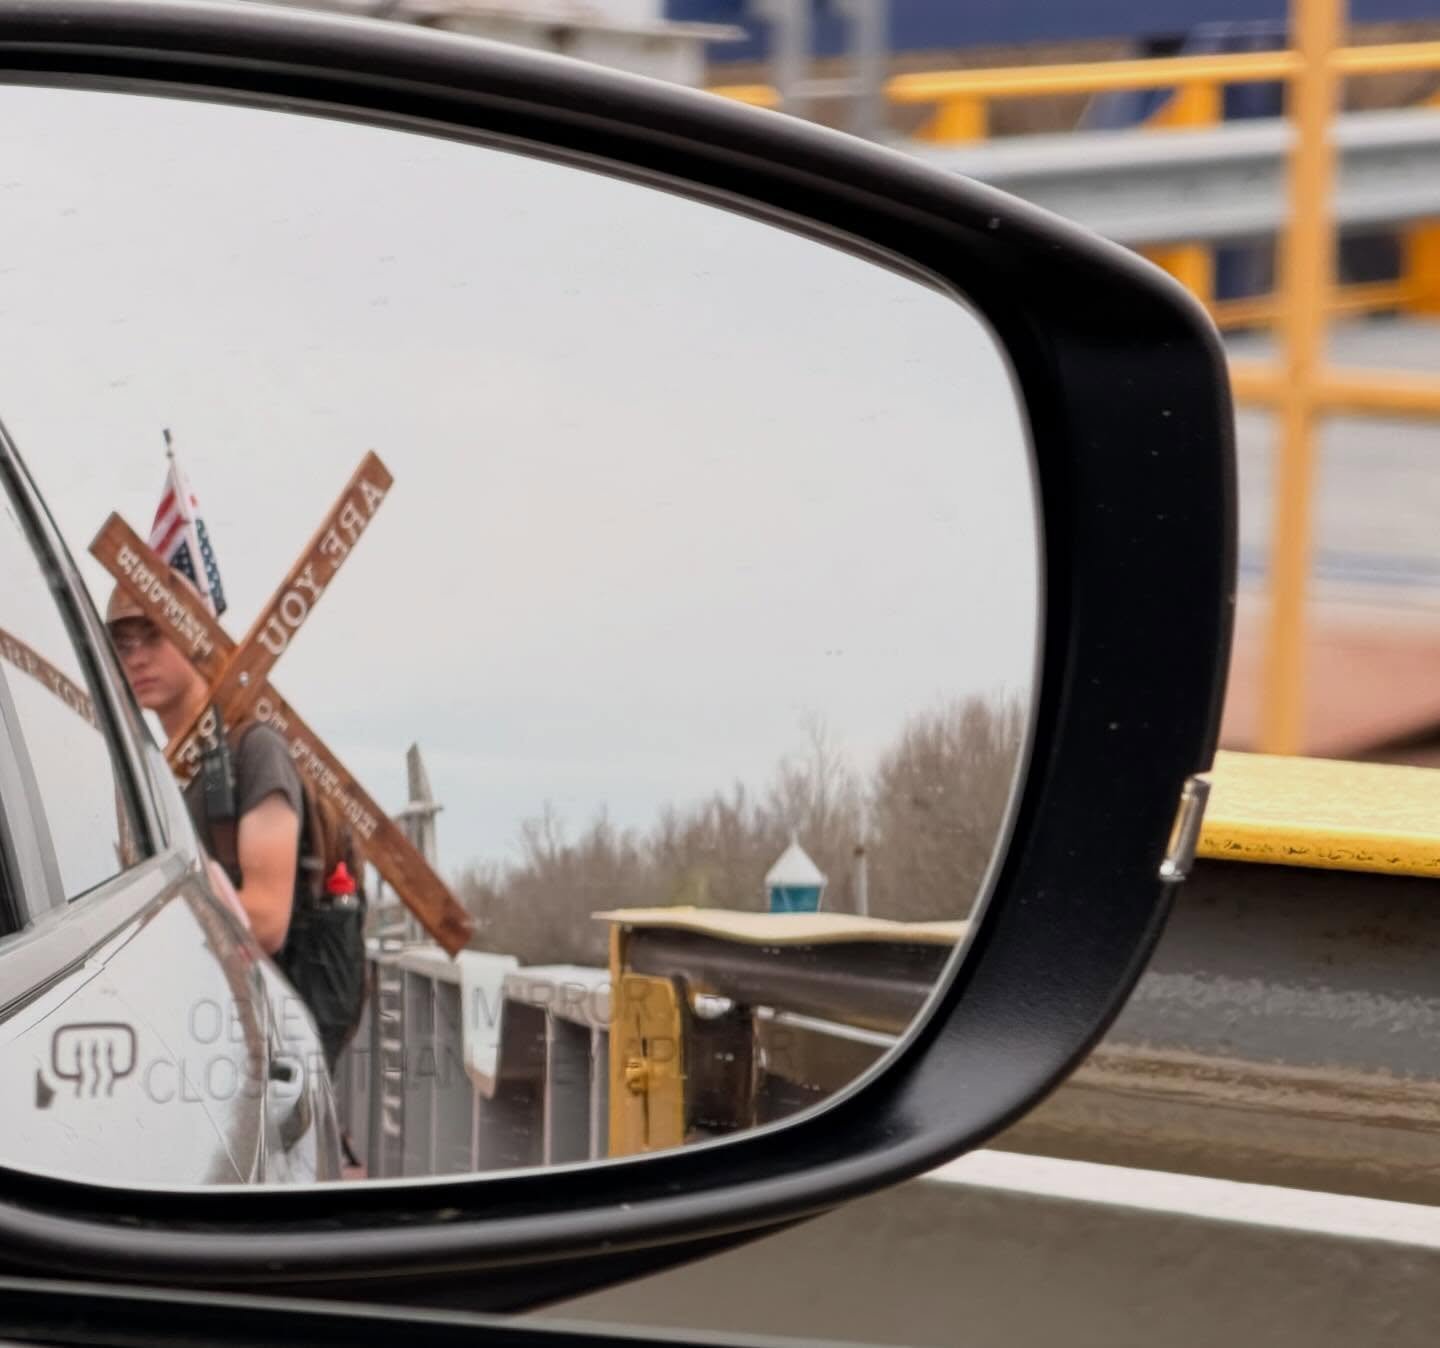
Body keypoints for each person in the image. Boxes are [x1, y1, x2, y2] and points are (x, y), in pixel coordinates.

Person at [105, 578, 301, 957]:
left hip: (262, 1004)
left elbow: (266, 921)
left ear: (196, 634)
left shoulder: (255, 749)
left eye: (154, 635)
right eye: (122, 645)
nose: (137, 658)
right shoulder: (151, 770)